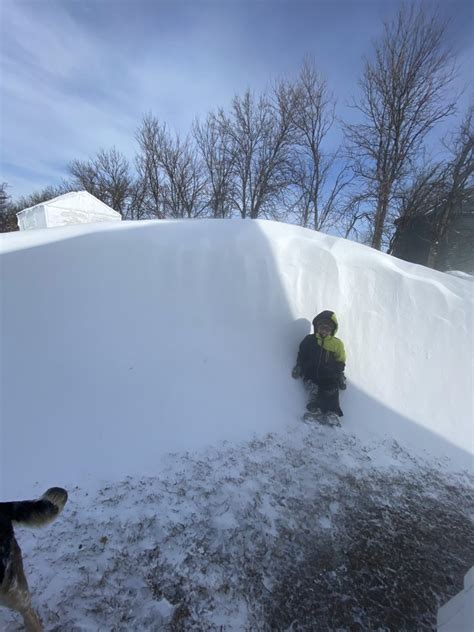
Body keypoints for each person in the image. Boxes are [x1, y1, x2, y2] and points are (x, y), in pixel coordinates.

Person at [292, 310, 346, 416]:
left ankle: (332, 412)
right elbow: (302, 354)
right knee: (313, 389)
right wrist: (299, 366)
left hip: (329, 375)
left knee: (332, 390)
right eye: (321, 328)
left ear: (332, 330)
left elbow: (341, 359)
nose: (324, 332)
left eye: (327, 329)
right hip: (311, 373)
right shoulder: (309, 340)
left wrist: (339, 374)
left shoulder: (336, 344)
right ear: (317, 328)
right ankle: (314, 408)